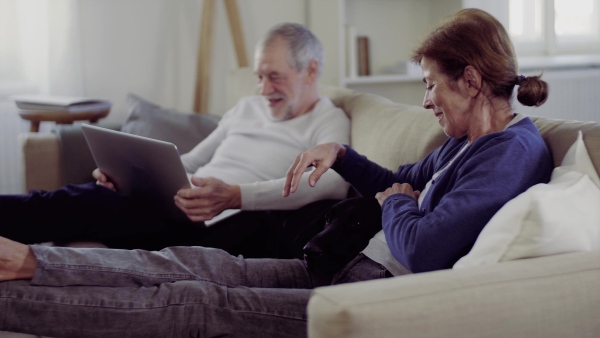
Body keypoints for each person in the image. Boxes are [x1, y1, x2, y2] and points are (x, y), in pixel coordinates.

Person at [0, 9, 553, 338]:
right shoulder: (465, 142)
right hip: (342, 264)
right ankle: (29, 259)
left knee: (195, 300)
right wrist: (340, 153)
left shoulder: (507, 154)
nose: (427, 100)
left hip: (372, 294)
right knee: (186, 263)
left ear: (474, 81)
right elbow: (397, 176)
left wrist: (397, 203)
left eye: (431, 83)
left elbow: (427, 247)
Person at [0, 22, 350, 254]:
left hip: (233, 224)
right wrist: (130, 176)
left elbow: (332, 183)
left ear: (311, 69)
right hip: (182, 207)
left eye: (274, 77)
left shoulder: (327, 120)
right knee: (85, 196)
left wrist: (234, 196)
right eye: (259, 76)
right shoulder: (247, 107)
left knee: (87, 204)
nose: (263, 89)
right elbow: (193, 161)